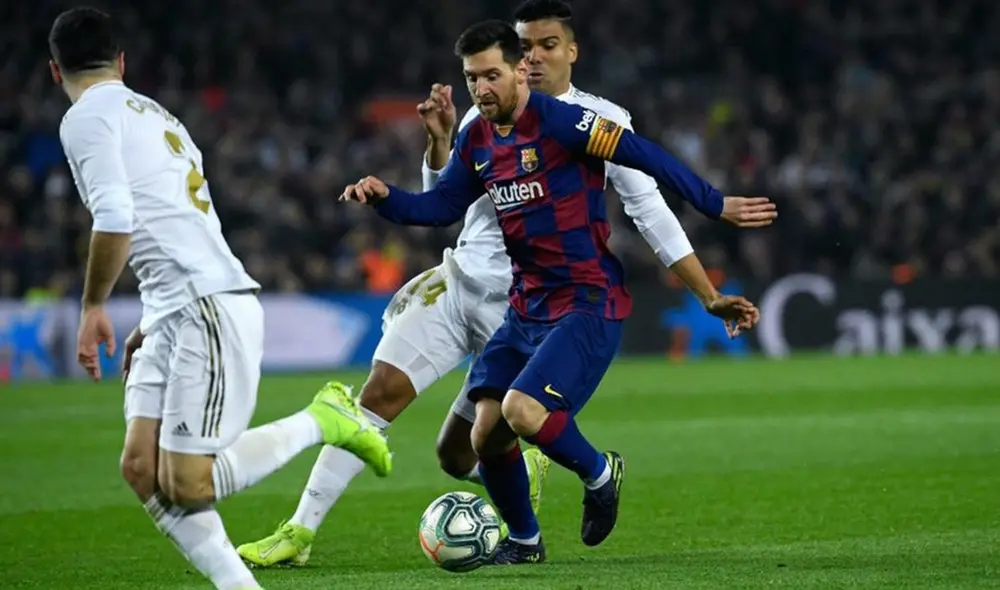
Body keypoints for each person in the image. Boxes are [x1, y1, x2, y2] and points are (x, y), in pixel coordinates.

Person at [237, 0, 775, 568]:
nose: (528, 61)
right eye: (476, 75)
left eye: (542, 48)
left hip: (569, 298)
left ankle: (589, 470)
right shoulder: (478, 128)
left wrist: (713, 217)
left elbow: (649, 192)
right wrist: (390, 193)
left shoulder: (582, 121)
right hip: (491, 291)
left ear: (558, 55)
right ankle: (513, 538)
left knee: (517, 413)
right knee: (459, 443)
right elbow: (443, 203)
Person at [50, 7, 392, 589]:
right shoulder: (159, 117)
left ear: (55, 71)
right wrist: (152, 315)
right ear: (122, 63)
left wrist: (92, 307)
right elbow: (179, 223)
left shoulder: (85, 118)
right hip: (174, 306)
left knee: (188, 482)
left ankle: (322, 419)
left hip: (204, 306)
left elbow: (115, 217)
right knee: (141, 467)